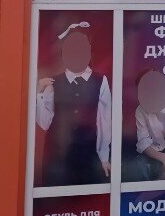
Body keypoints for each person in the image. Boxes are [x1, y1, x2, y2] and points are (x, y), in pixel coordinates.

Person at [36, 22, 111, 186]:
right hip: (58, 159)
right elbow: (44, 123)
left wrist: (104, 157)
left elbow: (105, 121)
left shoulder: (100, 81)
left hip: (89, 158)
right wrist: (40, 94)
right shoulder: (53, 82)